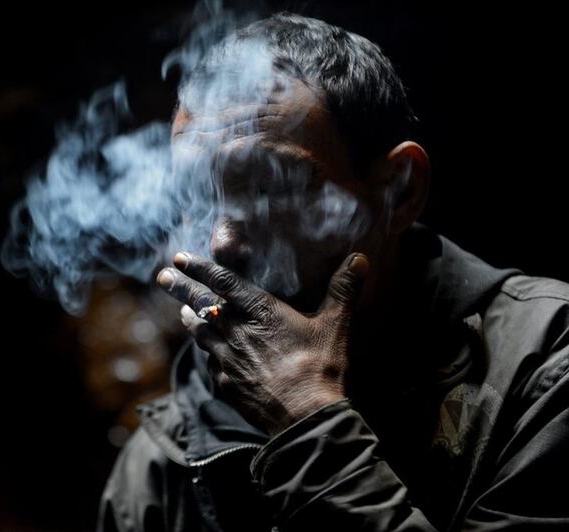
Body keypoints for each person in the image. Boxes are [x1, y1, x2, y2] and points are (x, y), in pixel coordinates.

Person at [97, 13, 569, 531]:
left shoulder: (546, 370)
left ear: (399, 190)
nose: (222, 243)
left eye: (270, 186)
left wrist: (308, 425)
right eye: (194, 194)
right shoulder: (161, 467)